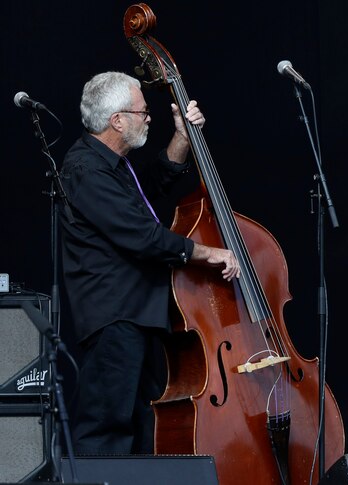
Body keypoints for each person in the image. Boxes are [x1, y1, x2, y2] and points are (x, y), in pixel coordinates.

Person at [60, 71, 240, 454]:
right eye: (142, 112)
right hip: (114, 317)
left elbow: (151, 188)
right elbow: (143, 236)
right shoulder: (84, 169)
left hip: (138, 315)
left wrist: (183, 138)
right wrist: (210, 254)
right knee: (106, 431)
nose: (149, 117)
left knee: (145, 429)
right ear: (117, 120)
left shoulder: (112, 165)